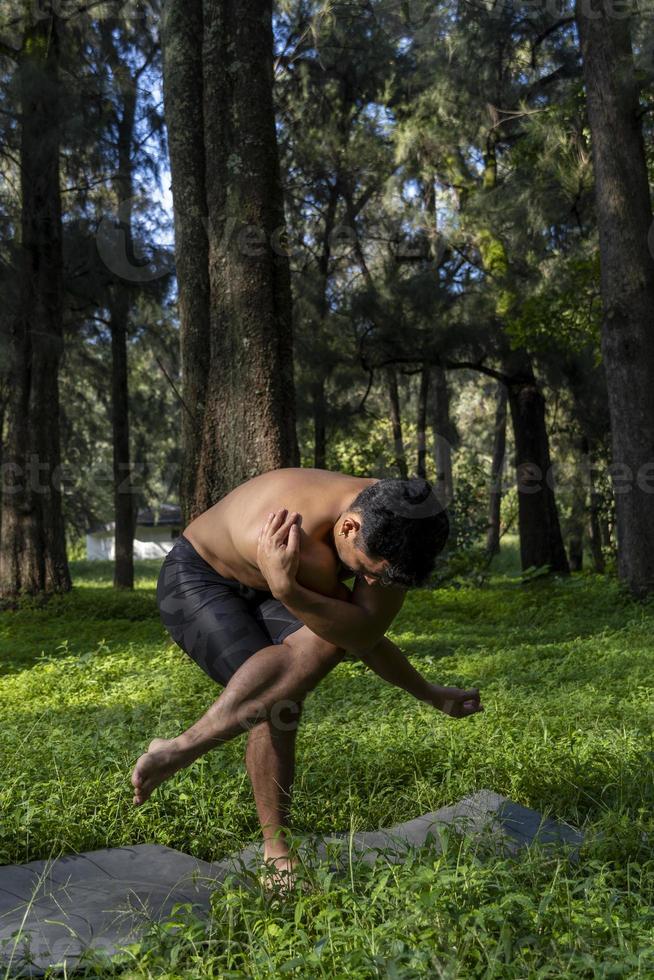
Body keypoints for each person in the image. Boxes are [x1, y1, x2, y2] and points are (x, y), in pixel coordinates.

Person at [131, 467, 483, 880]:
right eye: (369, 571)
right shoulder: (296, 536)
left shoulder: (396, 523)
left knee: (313, 658)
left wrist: (429, 692)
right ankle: (274, 850)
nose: (371, 581)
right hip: (198, 579)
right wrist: (289, 589)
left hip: (279, 581)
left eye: (382, 577)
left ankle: (180, 749)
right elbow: (353, 634)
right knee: (280, 702)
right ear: (349, 527)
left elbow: (362, 634)